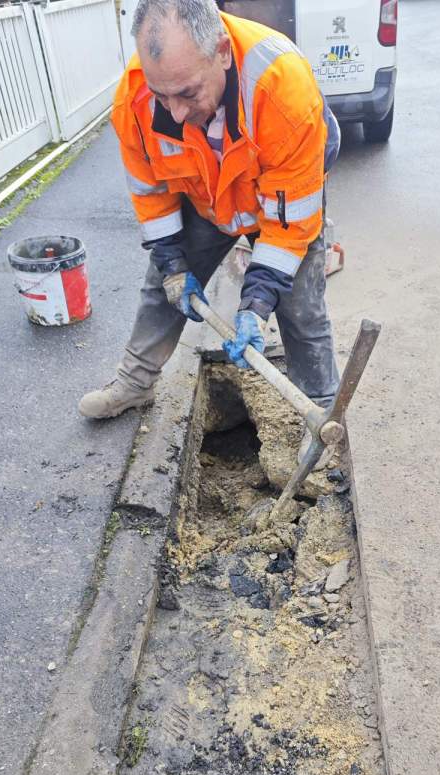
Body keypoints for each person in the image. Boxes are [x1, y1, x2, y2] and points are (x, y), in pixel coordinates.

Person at [79, 0, 340, 461]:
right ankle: (135, 383)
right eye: (164, 97)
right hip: (207, 191)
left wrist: (256, 305)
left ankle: (320, 412)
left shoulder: (282, 89)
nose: (176, 113)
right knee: (161, 287)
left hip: (278, 191)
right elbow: (151, 193)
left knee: (300, 304)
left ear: (220, 51)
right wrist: (172, 263)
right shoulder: (137, 98)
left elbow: (287, 226)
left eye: (187, 93)